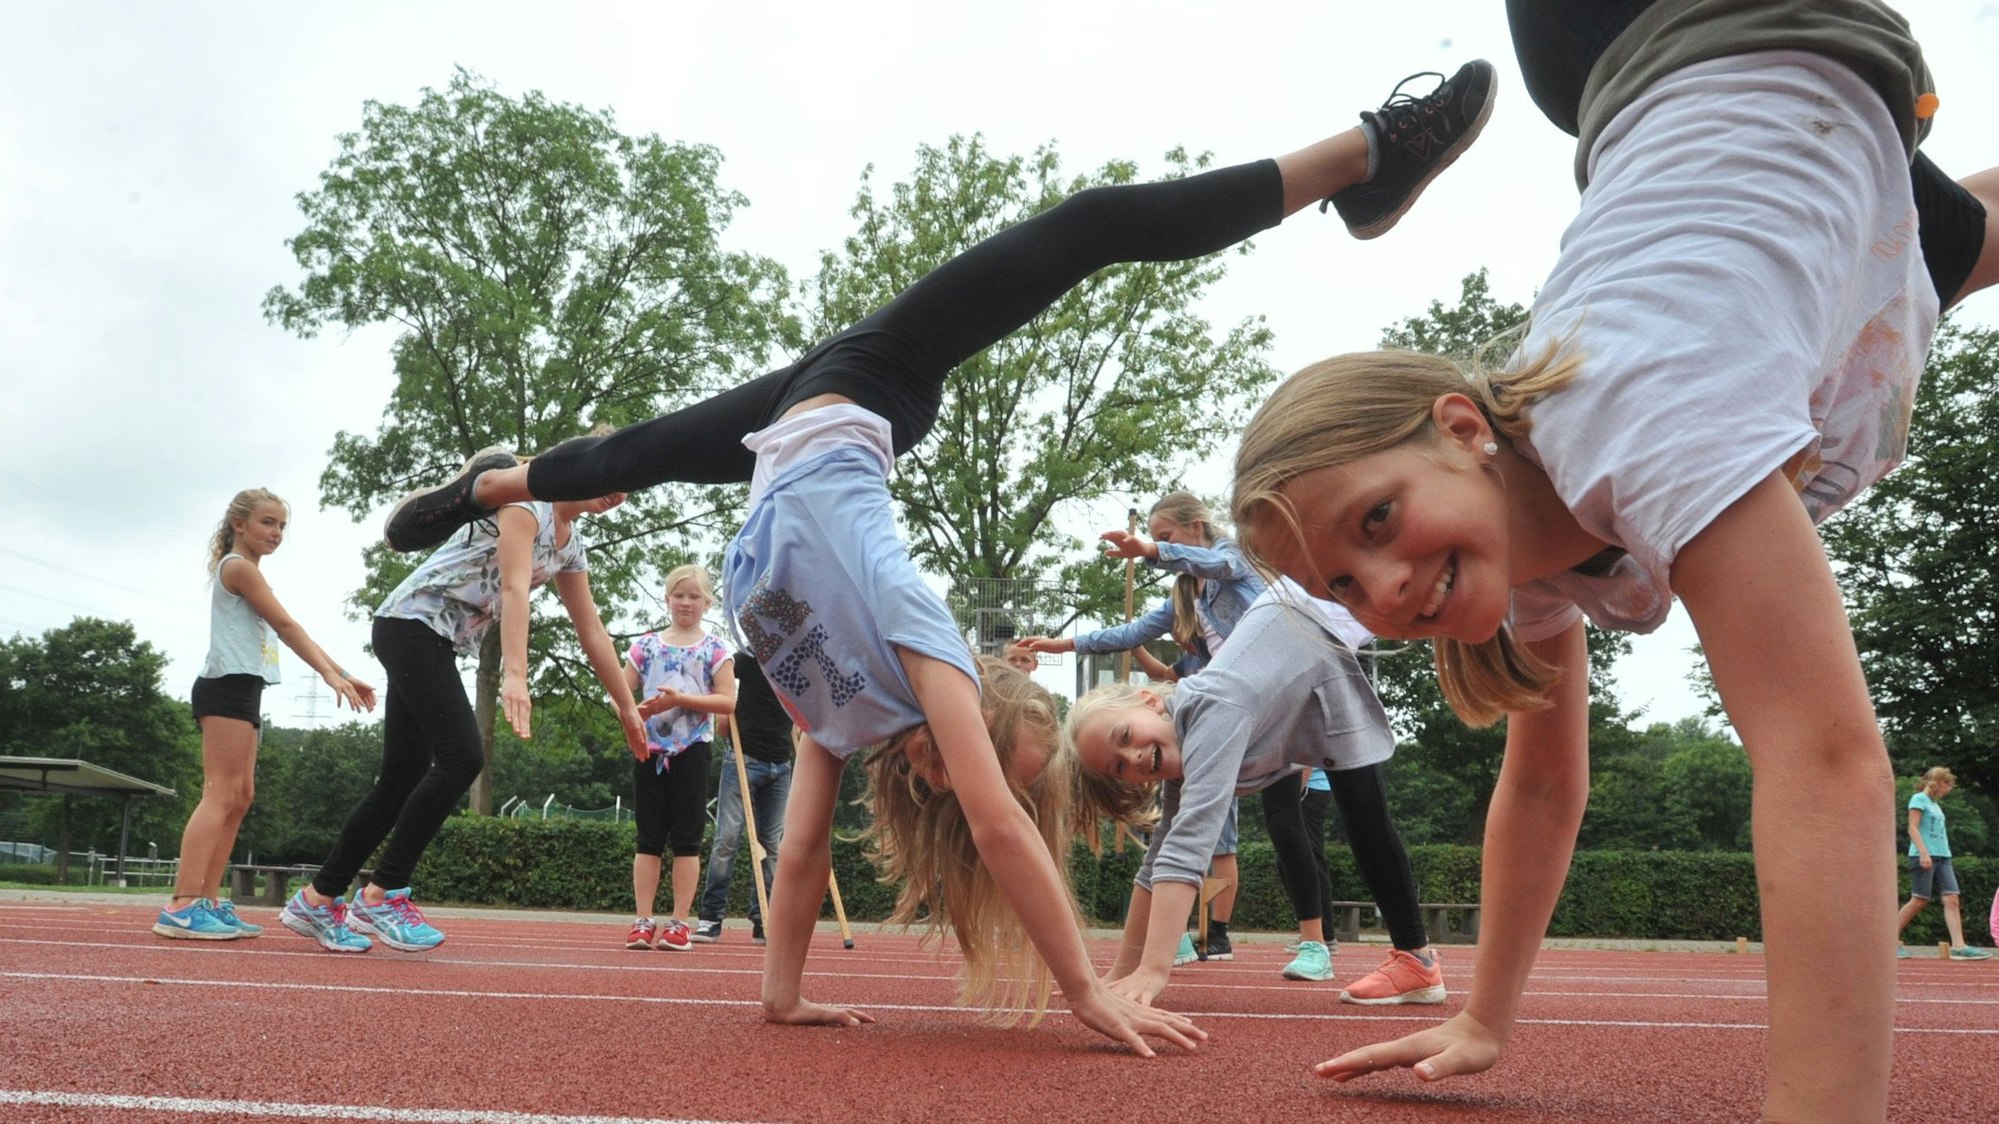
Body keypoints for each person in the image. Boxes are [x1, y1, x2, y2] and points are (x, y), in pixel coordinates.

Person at [373, 61, 1495, 1052]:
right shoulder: (911, 667)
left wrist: (791, 996)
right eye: (1007, 752)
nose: (983, 760)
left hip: (833, 408)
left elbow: (808, 849)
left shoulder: (859, 712)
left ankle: (491, 484)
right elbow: (963, 825)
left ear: (937, 774)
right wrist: (1075, 991)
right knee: (645, 447)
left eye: (979, 769)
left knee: (645, 447)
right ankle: (1368, 154)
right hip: (858, 411)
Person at [1228, 3, 1998, 1117]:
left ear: (1460, 425)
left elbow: (1826, 760)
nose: (1383, 587)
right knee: (1957, 247)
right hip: (1750, 128)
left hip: (1696, 36)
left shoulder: (1642, 423)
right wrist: (1485, 1016)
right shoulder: (1534, 566)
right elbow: (1540, 783)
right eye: (1343, 586)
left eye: (1379, 520)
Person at [280, 472, 642, 953]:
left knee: (399, 780)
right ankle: (383, 892)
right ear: (584, 461)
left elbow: (592, 630)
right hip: (413, 623)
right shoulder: (525, 505)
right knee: (462, 758)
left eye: (630, 484)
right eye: (613, 472)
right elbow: (514, 589)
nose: (617, 489)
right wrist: (515, 674)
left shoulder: (570, 545)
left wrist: (625, 706)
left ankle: (318, 898)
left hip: (432, 639)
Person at [1069, 579, 1441, 1003]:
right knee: (1363, 811)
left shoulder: (1210, 710)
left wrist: (1153, 971)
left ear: (1151, 702)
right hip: (1309, 659)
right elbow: (1158, 862)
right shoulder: (1182, 753)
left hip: (1311, 607)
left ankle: (1415, 958)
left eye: (1125, 736)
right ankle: (1418, 961)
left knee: (1364, 813)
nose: (1132, 757)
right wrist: (1122, 972)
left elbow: (1189, 846)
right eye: (1119, 766)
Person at [155, 489, 376, 941]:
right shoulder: (238, 568)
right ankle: (182, 904)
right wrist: (330, 677)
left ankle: (209, 900)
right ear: (239, 524)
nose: (276, 533)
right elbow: (288, 626)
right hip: (225, 688)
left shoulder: (248, 571)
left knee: (241, 796)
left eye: (281, 526)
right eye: (267, 523)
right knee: (220, 794)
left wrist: (344, 672)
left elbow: (291, 629)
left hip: (244, 689)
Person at [624, 565, 735, 951]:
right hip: (648, 751)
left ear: (707, 602)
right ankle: (642, 920)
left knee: (688, 840)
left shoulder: (716, 650)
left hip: (693, 752)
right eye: (678, 595)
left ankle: (679, 923)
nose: (685, 603)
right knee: (648, 839)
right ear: (667, 598)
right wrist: (634, 717)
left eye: (693, 596)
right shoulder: (646, 646)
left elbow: (728, 700)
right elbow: (621, 695)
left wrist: (681, 701)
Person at [693, 649, 792, 945]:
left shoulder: (794, 659)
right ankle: (711, 918)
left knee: (771, 846)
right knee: (728, 838)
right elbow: (714, 673)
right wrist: (724, 710)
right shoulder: (749, 658)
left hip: (781, 764)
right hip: (743, 759)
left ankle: (764, 921)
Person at [1896, 767, 1992, 960]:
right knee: (1920, 899)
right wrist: (1924, 853)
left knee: (1952, 899)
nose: (1949, 789)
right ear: (1940, 783)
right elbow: (1912, 828)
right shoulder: (1918, 799)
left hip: (1943, 856)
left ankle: (1959, 946)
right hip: (1924, 855)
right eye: (1949, 785)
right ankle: (1888, 940)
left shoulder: (1935, 804)